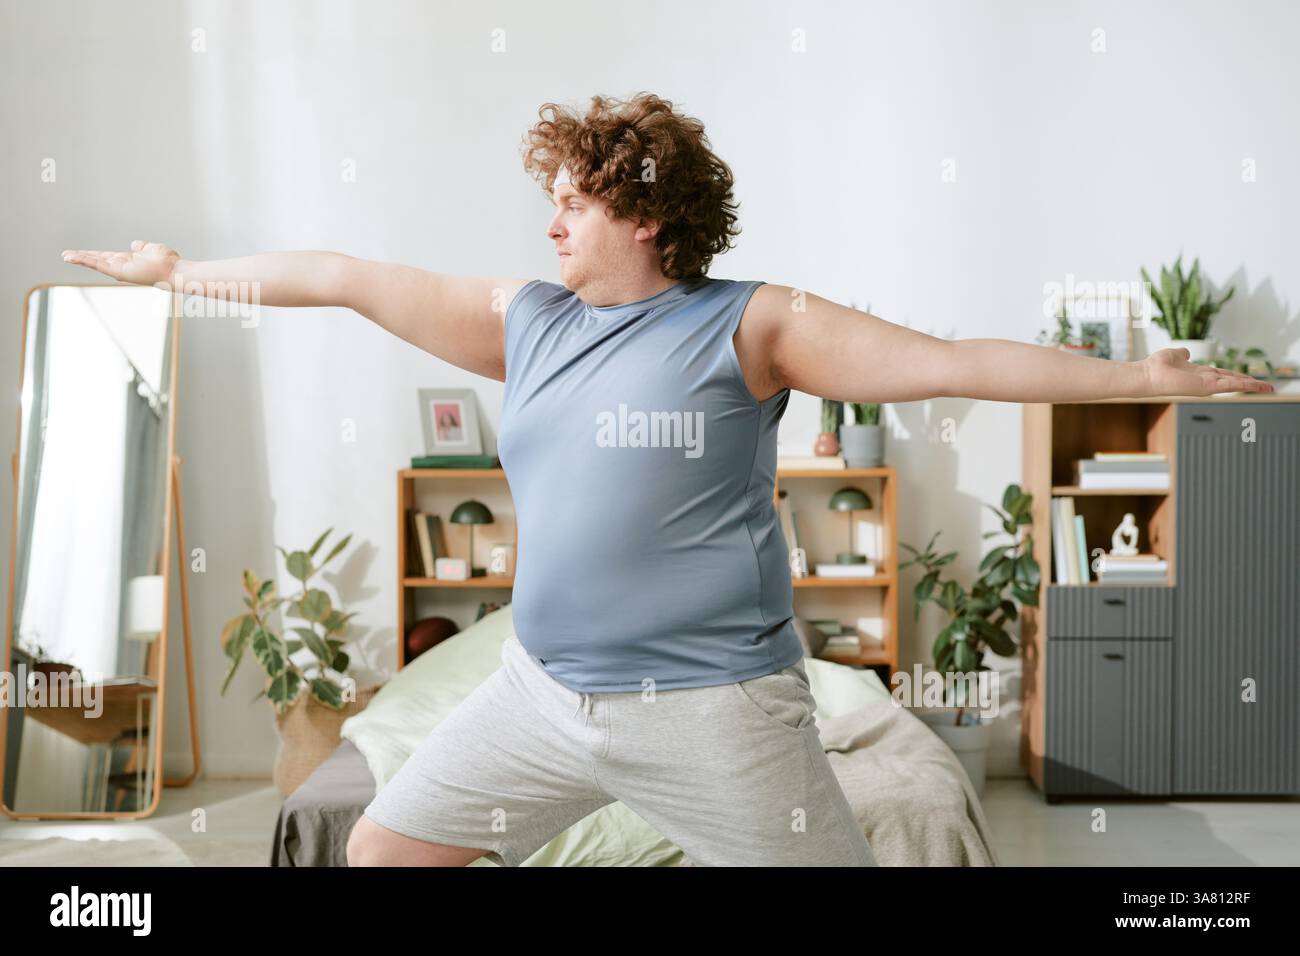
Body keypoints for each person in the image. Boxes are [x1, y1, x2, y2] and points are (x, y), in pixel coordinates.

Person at [62, 92, 1273, 867]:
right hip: (539, 696)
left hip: (713, 712)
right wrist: (181, 274)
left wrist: (1158, 375)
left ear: (646, 215)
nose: (552, 224)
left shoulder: (751, 324)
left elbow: (952, 360)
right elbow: (343, 274)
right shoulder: (522, 320)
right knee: (380, 855)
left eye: (573, 201)